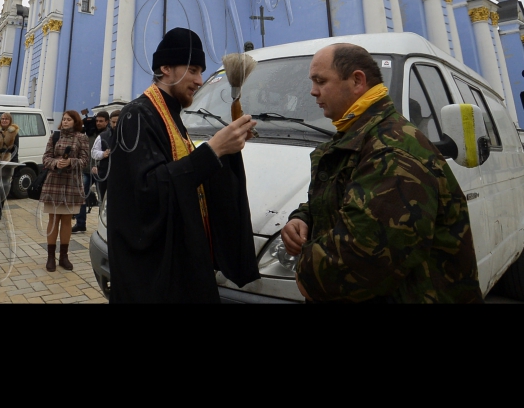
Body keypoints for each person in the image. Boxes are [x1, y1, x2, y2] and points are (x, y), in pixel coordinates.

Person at [281, 43, 483, 304]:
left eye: (320, 81)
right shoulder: (360, 135)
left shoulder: (391, 148)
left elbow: (365, 256)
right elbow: (342, 196)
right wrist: (303, 218)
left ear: (357, 81)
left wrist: (307, 274)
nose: (313, 91)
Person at [108, 27, 260, 303]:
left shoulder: (170, 113)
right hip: (154, 273)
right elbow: (148, 190)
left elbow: (185, 176)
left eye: (201, 71)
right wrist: (212, 150)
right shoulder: (137, 115)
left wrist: (226, 150)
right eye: (192, 70)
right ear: (165, 68)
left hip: (180, 262)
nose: (200, 80)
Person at [40, 111, 89, 272]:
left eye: (69, 119)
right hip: (54, 182)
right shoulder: (55, 136)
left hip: (71, 183)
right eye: (64, 119)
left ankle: (64, 256)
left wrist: (70, 162)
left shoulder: (82, 138)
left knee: (67, 220)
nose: (65, 121)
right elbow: (46, 158)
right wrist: (55, 163)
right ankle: (51, 257)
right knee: (53, 219)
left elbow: (85, 160)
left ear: (75, 122)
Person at [72, 111, 109, 234]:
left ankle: (101, 226)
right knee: (81, 197)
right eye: (97, 121)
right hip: (86, 169)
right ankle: (80, 223)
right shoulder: (89, 132)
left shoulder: (108, 135)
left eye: (101, 121)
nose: (98, 123)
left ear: (106, 122)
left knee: (101, 200)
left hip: (100, 171)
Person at [0, 112, 19, 221]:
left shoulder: (14, 132)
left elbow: (16, 148)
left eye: (6, 119)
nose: (4, 121)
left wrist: (14, 163)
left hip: (7, 158)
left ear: (10, 120)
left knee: (3, 186)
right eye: (2, 119)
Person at [91, 110, 121, 203]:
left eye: (117, 122)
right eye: (113, 122)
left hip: (121, 175)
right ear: (110, 122)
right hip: (105, 174)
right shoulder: (103, 136)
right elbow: (93, 152)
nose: (115, 124)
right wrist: (103, 154)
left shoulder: (128, 136)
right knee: (103, 201)